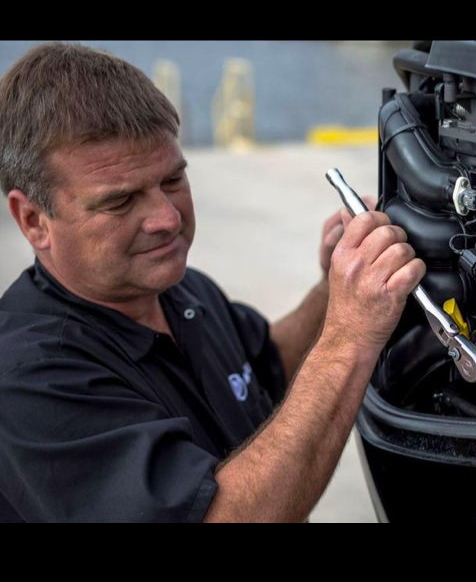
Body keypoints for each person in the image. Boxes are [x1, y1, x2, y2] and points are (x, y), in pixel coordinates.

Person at [0, 42, 425, 522]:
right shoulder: (29, 381)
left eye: (173, 181)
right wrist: (351, 336)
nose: (165, 218)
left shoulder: (175, 290)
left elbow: (263, 368)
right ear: (34, 220)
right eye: (120, 202)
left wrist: (333, 289)